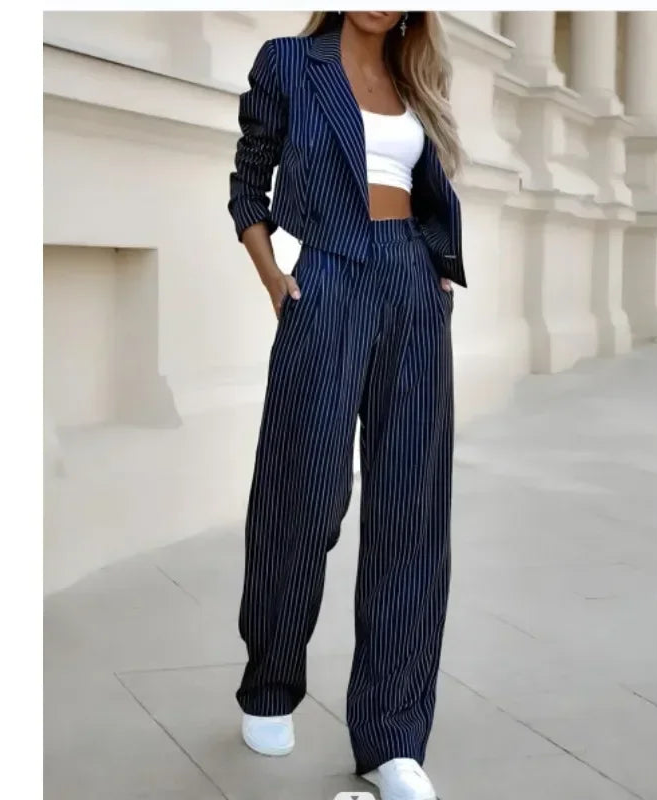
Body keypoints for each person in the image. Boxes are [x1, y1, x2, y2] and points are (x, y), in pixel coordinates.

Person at [227, 11, 467, 800]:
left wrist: (436, 269)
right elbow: (248, 182)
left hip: (414, 286)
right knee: (301, 494)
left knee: (410, 512)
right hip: (327, 277)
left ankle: (392, 737)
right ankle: (270, 682)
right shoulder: (290, 63)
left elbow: (428, 188)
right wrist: (274, 276)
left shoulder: (417, 78)